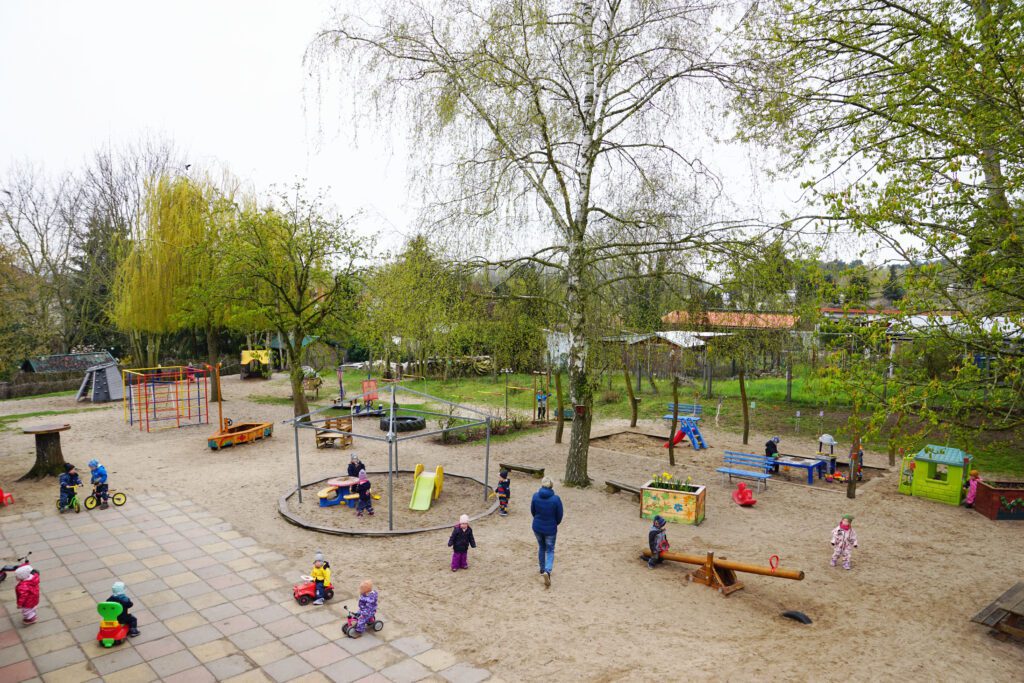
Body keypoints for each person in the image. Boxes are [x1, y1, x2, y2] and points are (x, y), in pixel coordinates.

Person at [530, 477, 564, 588]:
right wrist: (554, 523)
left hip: (537, 527)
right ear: (551, 486)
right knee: (550, 550)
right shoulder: (556, 499)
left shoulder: (535, 496)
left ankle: (542, 568)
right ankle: (547, 571)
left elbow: (533, 511)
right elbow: (559, 516)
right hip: (550, 529)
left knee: (541, 547)